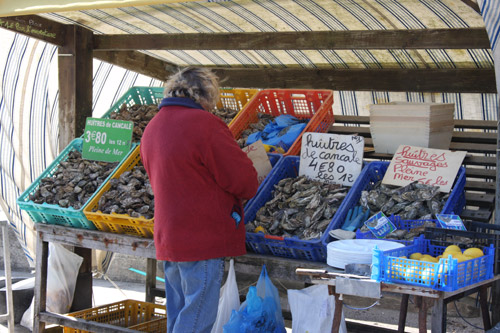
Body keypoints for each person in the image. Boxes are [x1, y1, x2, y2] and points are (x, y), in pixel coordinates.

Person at [140, 67, 259, 333]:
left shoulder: (152, 127)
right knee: (195, 322)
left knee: (180, 316)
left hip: (169, 240)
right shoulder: (205, 125)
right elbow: (244, 182)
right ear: (205, 97)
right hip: (201, 241)